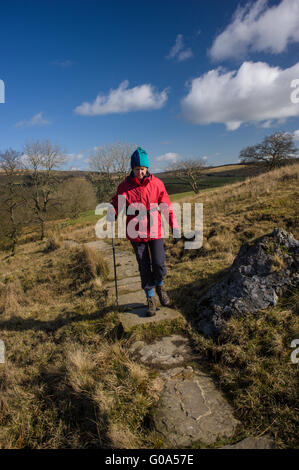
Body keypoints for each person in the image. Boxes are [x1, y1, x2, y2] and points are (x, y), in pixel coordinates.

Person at [107, 147, 179, 316]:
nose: (140, 172)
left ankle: (160, 286)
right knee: (144, 266)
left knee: (159, 264)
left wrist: (174, 226)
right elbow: (117, 203)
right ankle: (151, 298)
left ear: (147, 168)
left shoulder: (157, 184)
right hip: (136, 232)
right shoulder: (124, 186)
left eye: (143, 169)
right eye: (137, 169)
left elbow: (166, 206)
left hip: (155, 230)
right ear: (132, 168)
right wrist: (112, 212)